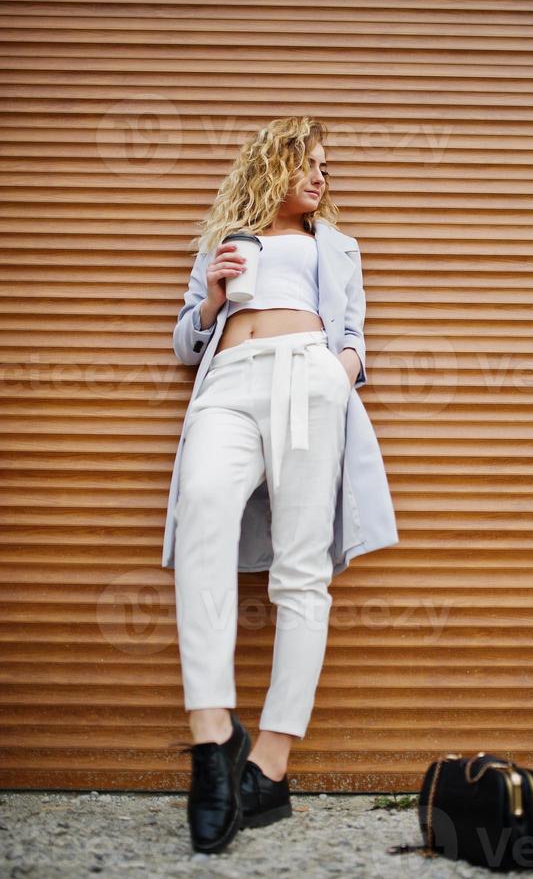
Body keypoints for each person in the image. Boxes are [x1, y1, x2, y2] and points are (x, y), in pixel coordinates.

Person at [167, 116, 398, 854]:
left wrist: (343, 371)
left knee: (301, 573)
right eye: (312, 163)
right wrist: (210, 297)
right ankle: (212, 738)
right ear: (278, 161)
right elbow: (183, 339)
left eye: (329, 168)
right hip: (228, 383)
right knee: (202, 511)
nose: (323, 178)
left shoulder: (337, 246)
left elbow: (355, 332)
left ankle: (270, 764)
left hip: (308, 382)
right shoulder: (224, 238)